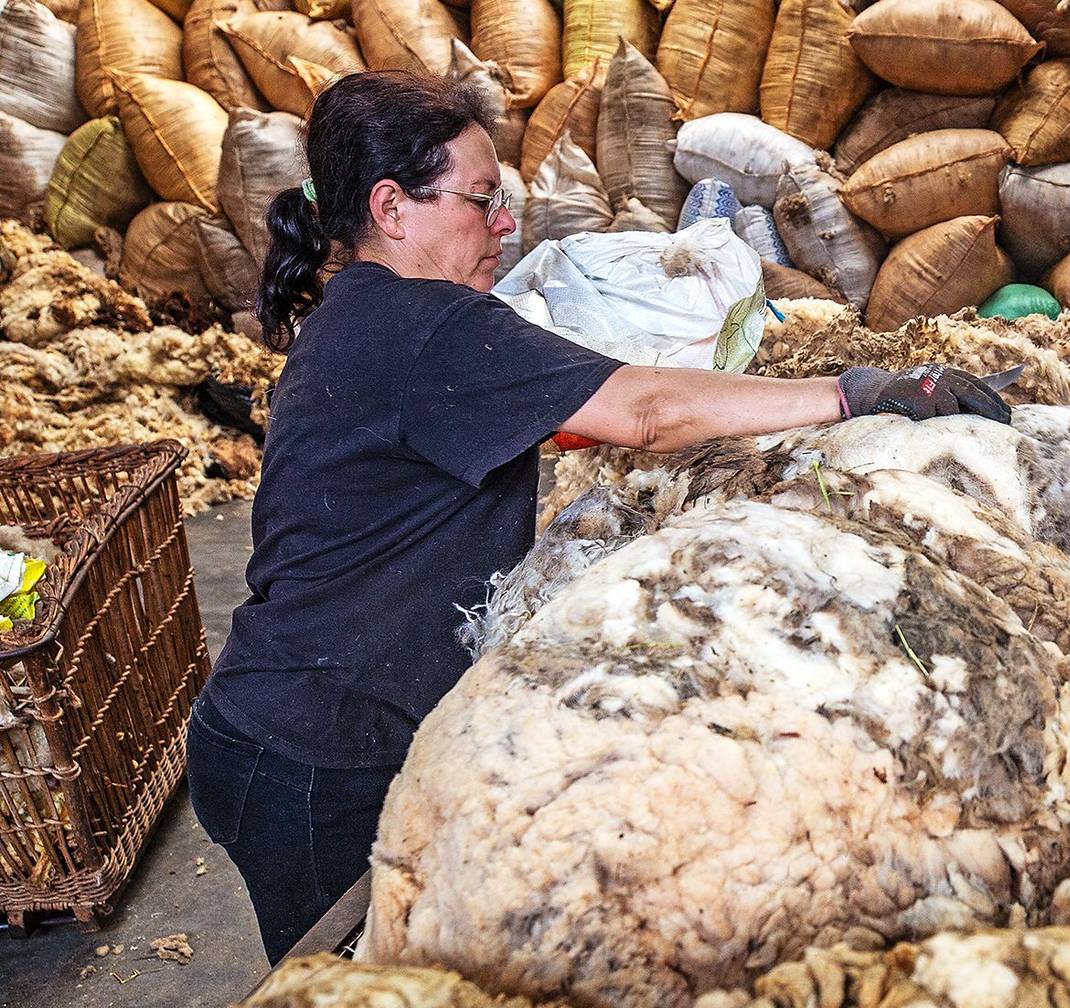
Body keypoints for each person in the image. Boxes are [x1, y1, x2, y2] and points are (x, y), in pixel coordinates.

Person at [185, 70, 1012, 962]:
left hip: (285, 725)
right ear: (392, 207)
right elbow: (647, 413)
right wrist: (852, 394)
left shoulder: (366, 311)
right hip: (314, 754)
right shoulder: (431, 323)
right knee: (363, 977)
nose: (506, 224)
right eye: (483, 200)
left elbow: (502, 424)